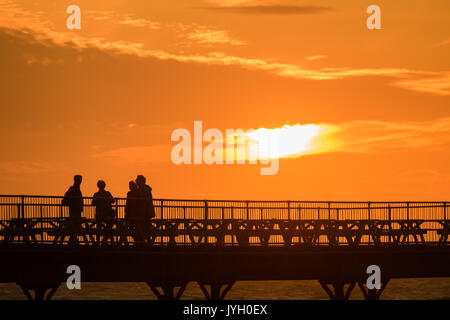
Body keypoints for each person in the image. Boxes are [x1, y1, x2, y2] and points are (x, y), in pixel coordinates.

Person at [62, 175, 84, 244]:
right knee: (75, 224)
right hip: (75, 210)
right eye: (80, 180)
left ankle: (73, 239)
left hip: (74, 209)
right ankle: (73, 239)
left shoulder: (72, 189)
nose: (80, 182)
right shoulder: (75, 189)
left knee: (74, 224)